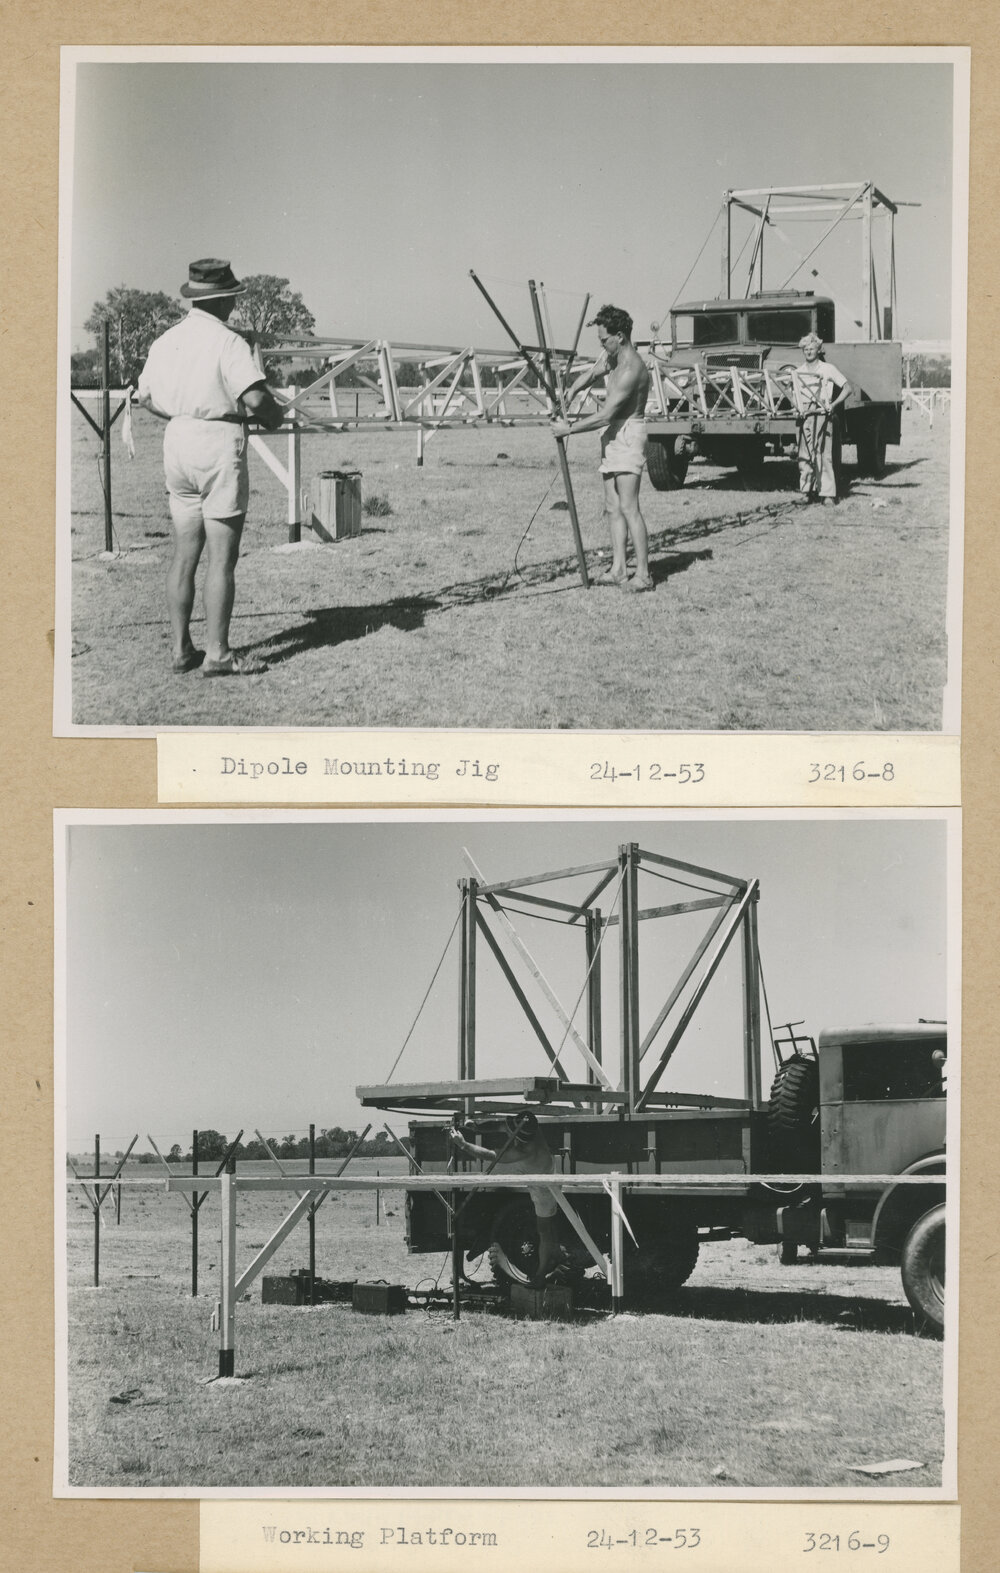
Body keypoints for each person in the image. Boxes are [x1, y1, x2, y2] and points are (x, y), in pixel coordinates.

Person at [134, 258, 286, 676]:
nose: (234, 308)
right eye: (232, 299)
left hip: (178, 440)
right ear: (221, 301)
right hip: (217, 443)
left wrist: (180, 415)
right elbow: (256, 400)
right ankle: (217, 654)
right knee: (221, 559)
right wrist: (277, 417)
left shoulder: (166, 340)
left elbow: (145, 396)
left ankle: (181, 649)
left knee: (185, 555)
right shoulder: (228, 342)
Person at [552, 304, 654, 591]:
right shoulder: (614, 359)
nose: (602, 346)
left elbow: (607, 414)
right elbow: (595, 371)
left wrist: (568, 429)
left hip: (628, 434)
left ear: (620, 336)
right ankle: (619, 568)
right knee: (612, 507)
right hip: (613, 435)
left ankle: (644, 574)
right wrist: (572, 389)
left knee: (629, 506)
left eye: (604, 340)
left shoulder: (631, 368)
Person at [448, 1110, 563, 1283]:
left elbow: (491, 1155)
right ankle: (554, 1256)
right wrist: (477, 1126)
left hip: (543, 1189)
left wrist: (463, 1144)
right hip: (547, 1175)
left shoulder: (525, 1151)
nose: (507, 1132)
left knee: (544, 1231)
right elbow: (502, 1126)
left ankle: (540, 1274)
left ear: (520, 1138)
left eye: (511, 1133)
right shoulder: (533, 1130)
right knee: (547, 1229)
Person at [788, 332, 852, 507]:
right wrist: (796, 406)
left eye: (812, 348)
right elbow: (790, 393)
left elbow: (847, 388)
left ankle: (827, 494)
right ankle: (806, 492)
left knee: (823, 454)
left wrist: (833, 404)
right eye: (806, 349)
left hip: (822, 414)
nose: (809, 352)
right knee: (804, 455)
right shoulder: (798, 371)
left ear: (818, 349)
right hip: (803, 416)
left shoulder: (827, 368)